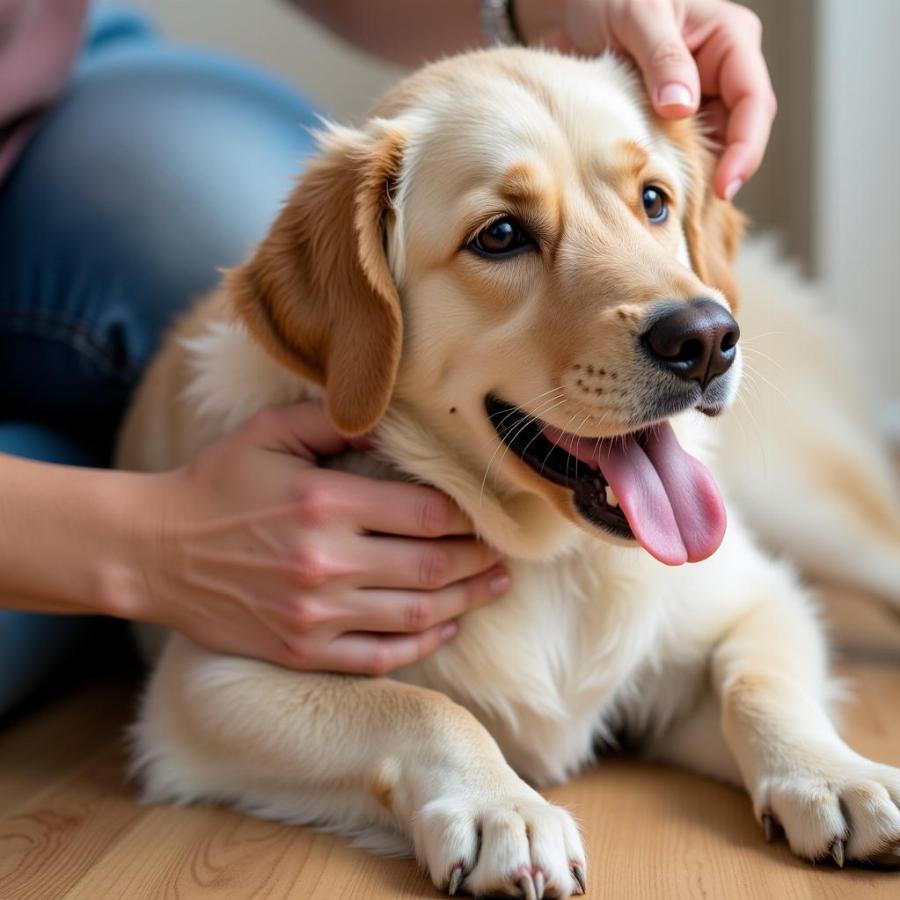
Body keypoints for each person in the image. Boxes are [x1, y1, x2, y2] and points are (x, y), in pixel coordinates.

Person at [0, 0, 776, 715]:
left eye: (650, 201)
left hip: (58, 71)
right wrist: (151, 541)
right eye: (502, 235)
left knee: (210, 214)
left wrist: (536, 3)